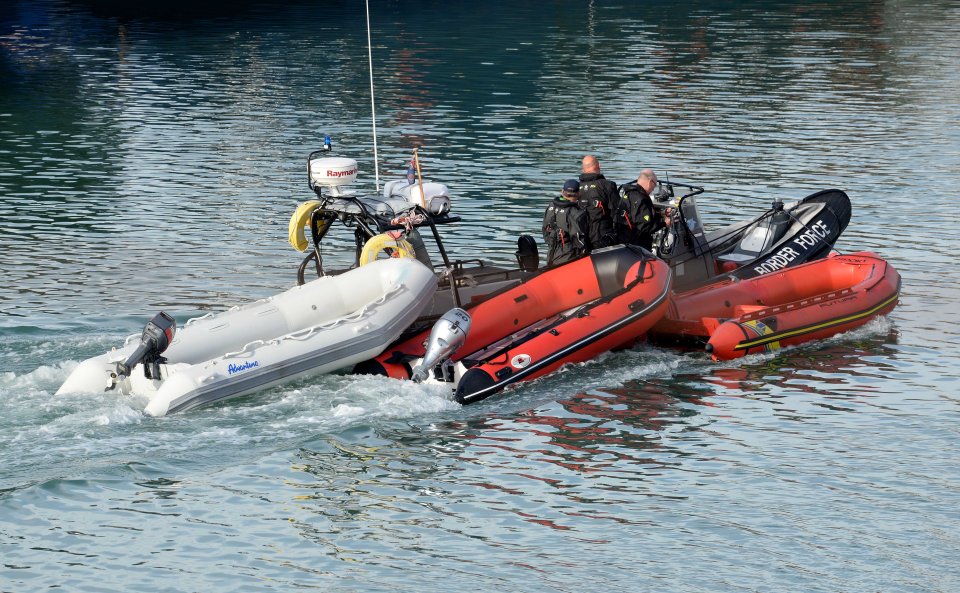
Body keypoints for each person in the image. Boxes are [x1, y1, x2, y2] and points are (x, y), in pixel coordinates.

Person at [542, 179, 590, 266]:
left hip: (551, 256)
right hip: (568, 259)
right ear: (578, 194)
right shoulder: (575, 213)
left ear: (563, 191)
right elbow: (578, 240)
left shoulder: (550, 207)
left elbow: (545, 232)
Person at [616, 168, 666, 251]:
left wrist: (661, 214)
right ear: (650, 182)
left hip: (624, 243)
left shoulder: (628, 193)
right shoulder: (641, 199)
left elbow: (638, 217)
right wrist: (664, 223)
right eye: (654, 186)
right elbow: (645, 227)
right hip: (638, 247)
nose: (653, 189)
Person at [577, 155, 620, 249]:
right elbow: (617, 212)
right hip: (602, 237)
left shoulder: (576, 187)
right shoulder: (607, 185)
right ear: (599, 166)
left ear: (583, 169)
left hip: (581, 238)